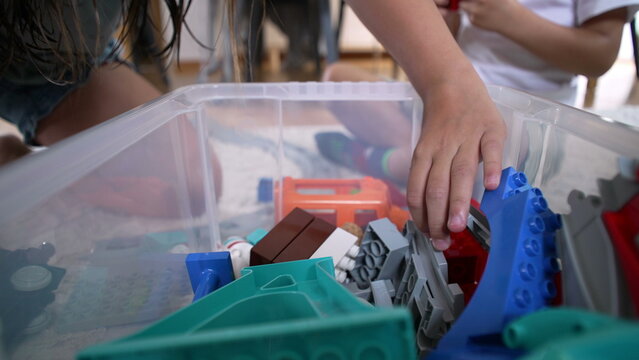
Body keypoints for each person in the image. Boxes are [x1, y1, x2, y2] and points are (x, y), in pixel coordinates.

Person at [0, 0, 506, 251]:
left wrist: (448, 82)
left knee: (194, 182)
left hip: (65, 55)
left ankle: (25, 157)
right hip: (24, 41)